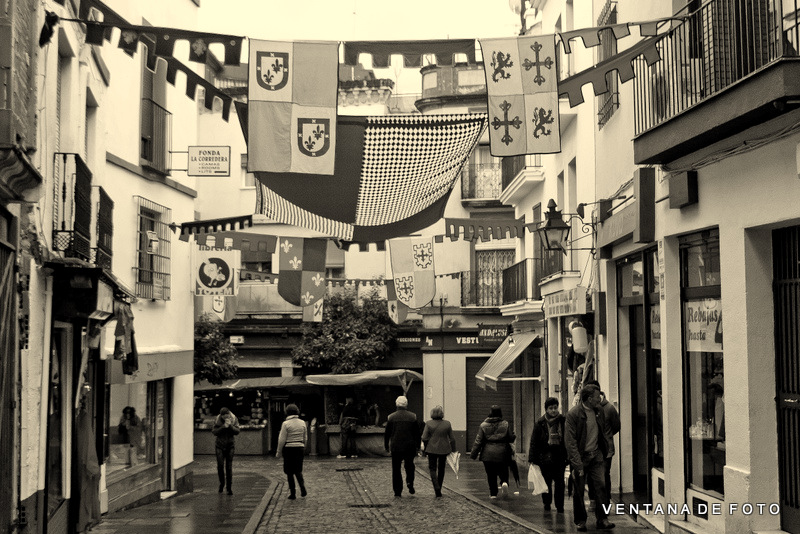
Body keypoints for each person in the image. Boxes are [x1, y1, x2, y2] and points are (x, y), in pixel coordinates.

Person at [565, 385, 615, 531]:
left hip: (597, 454)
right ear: (589, 398)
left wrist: (604, 448)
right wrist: (577, 464)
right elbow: (570, 442)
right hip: (580, 457)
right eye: (597, 396)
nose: (599, 398)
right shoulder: (573, 414)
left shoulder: (599, 411)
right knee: (579, 490)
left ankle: (603, 518)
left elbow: (605, 430)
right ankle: (580, 520)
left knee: (601, 486)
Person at [529, 397, 568, 513]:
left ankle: (560, 506)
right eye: (551, 408)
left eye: (555, 407)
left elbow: (568, 438)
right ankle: (547, 503)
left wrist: (568, 456)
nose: (554, 410)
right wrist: (532, 458)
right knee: (546, 482)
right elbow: (534, 441)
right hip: (544, 457)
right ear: (546, 409)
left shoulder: (563, 421)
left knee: (560, 483)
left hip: (559, 457)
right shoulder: (540, 423)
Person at [470, 405, 515, 499]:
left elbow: (478, 441)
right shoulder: (505, 424)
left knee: (491, 474)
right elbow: (510, 438)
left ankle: (493, 493)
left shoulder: (483, 425)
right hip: (503, 452)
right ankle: (504, 482)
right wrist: (513, 436)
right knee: (503, 470)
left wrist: (474, 454)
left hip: (488, 453)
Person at [586, 380, 621, 500]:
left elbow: (616, 426)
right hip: (590, 448)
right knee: (591, 475)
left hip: (606, 449)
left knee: (604, 474)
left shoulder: (609, 408)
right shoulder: (585, 408)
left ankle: (606, 501)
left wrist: (607, 437)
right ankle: (593, 499)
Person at [384, 395, 421, 497]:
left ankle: (397, 490)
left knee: (396, 468)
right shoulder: (413, 417)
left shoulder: (391, 417)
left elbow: (387, 433)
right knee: (409, 466)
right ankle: (410, 482)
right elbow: (417, 433)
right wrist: (418, 446)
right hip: (409, 446)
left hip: (396, 446)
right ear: (406, 405)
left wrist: (386, 445)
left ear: (396, 404)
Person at [421, 405, 456, 498]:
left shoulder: (428, 423)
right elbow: (452, 439)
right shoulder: (447, 424)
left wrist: (426, 444)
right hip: (444, 449)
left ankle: (436, 486)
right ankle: (439, 487)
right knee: (441, 469)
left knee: (432, 468)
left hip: (431, 449)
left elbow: (424, 437)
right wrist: (454, 449)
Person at [276, 404, 308, 500]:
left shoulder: (286, 424)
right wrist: (303, 447)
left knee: (289, 472)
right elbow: (305, 437)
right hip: (299, 447)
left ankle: (293, 493)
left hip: (289, 448)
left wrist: (279, 451)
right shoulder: (302, 423)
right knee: (298, 470)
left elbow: (281, 439)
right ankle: (302, 488)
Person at [212, 407, 239, 495]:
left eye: (226, 415)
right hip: (219, 445)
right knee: (220, 465)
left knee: (229, 466)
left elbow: (237, 431)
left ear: (229, 414)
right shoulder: (217, 420)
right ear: (221, 415)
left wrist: (230, 426)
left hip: (230, 445)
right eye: (223, 416)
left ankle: (229, 487)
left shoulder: (234, 419)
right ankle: (222, 484)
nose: (225, 417)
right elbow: (214, 432)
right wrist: (223, 427)